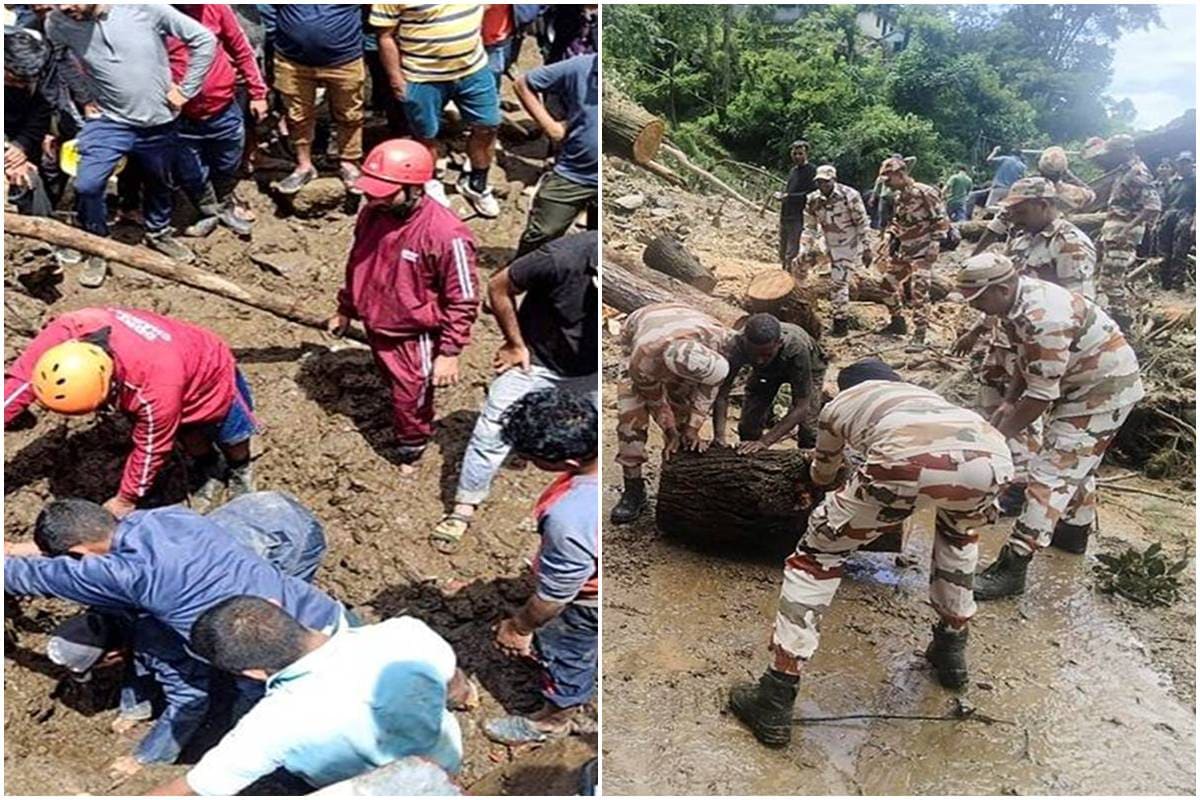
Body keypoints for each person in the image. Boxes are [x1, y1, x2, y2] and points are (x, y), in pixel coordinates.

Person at [728, 358, 1013, 748]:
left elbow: (824, 470)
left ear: (845, 387)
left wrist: (828, 492)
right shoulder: (925, 397)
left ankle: (776, 695)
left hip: (905, 461)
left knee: (817, 559)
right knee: (959, 540)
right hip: (992, 459)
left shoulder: (842, 404)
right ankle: (951, 650)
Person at [31, 490, 330, 781]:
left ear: (111, 656)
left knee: (254, 672)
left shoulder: (158, 635)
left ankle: (259, 752)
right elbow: (135, 660)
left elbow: (190, 699)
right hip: (258, 511)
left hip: (288, 537)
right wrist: (133, 710)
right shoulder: (141, 536)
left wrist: (146, 757)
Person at [955, 254, 1143, 599]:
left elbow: (1040, 396)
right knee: (1075, 467)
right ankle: (1073, 534)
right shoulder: (1013, 304)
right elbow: (1025, 361)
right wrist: (1010, 400)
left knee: (1050, 474)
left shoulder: (1045, 318)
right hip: (1081, 383)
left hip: (1103, 390)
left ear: (1002, 287)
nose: (977, 307)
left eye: (979, 298)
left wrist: (999, 436)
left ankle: (1013, 568)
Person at [146, 596, 464, 795]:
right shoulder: (405, 633)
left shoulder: (271, 723)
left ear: (253, 672)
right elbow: (456, 687)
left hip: (370, 790)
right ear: (278, 605)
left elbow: (195, 787)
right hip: (444, 760)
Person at [3, 307, 259, 518]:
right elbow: (19, 385)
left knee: (231, 434)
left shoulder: (156, 388)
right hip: (163, 361)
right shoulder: (68, 330)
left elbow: (151, 447)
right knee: (191, 438)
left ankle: (239, 468)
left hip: (207, 369)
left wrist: (125, 499)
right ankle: (208, 467)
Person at [434, 232, 598, 552]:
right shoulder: (559, 258)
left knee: (594, 444)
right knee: (491, 431)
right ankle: (464, 505)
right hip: (535, 360)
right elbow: (498, 285)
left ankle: (585, 513)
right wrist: (514, 343)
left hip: (589, 369)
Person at [329, 139, 480, 475]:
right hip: (376, 320)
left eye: (384, 192)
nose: (373, 198)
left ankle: (411, 443)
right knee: (392, 382)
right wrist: (346, 308)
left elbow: (464, 298)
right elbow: (359, 262)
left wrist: (450, 351)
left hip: (413, 334)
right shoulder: (372, 213)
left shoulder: (446, 234)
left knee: (410, 394)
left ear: (415, 188)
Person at [953, 180, 1097, 516]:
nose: (1013, 217)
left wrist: (1042, 368)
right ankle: (1002, 476)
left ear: (1046, 204)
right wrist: (978, 329)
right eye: (1011, 211)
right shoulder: (1020, 237)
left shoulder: (1071, 244)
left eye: (1020, 210)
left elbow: (1077, 308)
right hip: (1007, 342)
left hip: (1044, 347)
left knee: (1027, 421)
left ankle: (1021, 489)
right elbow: (1000, 292)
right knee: (993, 408)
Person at [45, 4, 217, 283]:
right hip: (108, 120)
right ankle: (96, 246)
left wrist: (186, 90)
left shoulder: (145, 8)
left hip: (158, 117)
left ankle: (158, 232)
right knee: (87, 183)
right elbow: (60, 56)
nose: (64, 7)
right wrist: (85, 95)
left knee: (158, 179)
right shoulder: (58, 21)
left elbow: (204, 39)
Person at [487, 389, 599, 744]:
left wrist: (519, 627)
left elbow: (555, 596)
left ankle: (553, 720)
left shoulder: (570, 517)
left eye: (531, 457)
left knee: (566, 654)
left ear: (565, 464)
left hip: (584, 603)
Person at [370, 4, 502, 218]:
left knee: (488, 125)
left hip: (473, 69)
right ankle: (430, 181)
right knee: (425, 135)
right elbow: (385, 36)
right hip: (422, 76)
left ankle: (477, 183)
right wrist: (396, 78)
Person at [610, 302, 734, 525]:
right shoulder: (643, 360)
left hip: (681, 325)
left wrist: (692, 428)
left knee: (683, 411)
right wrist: (671, 430)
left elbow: (709, 389)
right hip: (637, 332)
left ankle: (678, 471)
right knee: (630, 419)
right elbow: (655, 401)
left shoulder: (719, 339)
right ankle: (634, 489)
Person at [167, 4, 269, 237]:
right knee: (191, 171)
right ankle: (209, 211)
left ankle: (223, 204)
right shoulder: (153, 15)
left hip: (223, 107)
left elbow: (242, 50)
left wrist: (258, 93)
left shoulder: (215, 8)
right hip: (180, 115)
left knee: (227, 161)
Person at [264, 4, 365, 194]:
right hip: (291, 60)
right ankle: (304, 166)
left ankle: (350, 163)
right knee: (297, 115)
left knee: (350, 114)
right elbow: (268, 8)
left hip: (345, 58)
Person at [513, 53, 598, 256]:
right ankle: (520, 276)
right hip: (574, 172)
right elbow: (523, 84)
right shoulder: (580, 67)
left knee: (597, 244)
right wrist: (551, 127)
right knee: (543, 232)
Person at [711, 313, 826, 452]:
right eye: (753, 354)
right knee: (749, 426)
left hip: (810, 367)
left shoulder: (796, 348)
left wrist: (765, 442)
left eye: (766, 354)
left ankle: (808, 462)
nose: (759, 360)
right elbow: (722, 393)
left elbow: (802, 406)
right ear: (745, 342)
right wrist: (719, 436)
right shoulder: (736, 345)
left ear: (779, 343)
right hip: (766, 373)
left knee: (808, 430)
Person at [1089, 134, 1161, 330]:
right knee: (1104, 278)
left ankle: (1125, 325)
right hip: (1113, 231)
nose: (1109, 157)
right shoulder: (1124, 171)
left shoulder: (1138, 172)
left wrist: (1127, 230)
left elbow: (1153, 206)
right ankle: (1115, 319)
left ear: (1124, 151)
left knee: (1111, 282)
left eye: (1112, 153)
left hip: (1123, 232)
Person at [876, 156, 950, 344]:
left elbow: (941, 220)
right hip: (904, 251)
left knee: (919, 292)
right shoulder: (900, 196)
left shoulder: (924, 192)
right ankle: (898, 321)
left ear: (900, 174)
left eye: (889, 179)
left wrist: (935, 245)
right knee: (886, 286)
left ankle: (920, 334)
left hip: (923, 251)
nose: (888, 185)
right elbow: (898, 222)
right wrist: (888, 239)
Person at [971, 145, 1095, 256]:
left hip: (1020, 254)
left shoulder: (1025, 192)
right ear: (1062, 171)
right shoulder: (1073, 194)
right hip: (1057, 252)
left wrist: (973, 255)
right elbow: (1092, 194)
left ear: (1039, 168)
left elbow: (995, 228)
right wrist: (1069, 174)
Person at [794, 164, 871, 336]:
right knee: (799, 264)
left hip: (847, 244)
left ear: (834, 180)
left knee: (838, 283)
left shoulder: (849, 195)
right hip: (826, 242)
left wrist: (867, 247)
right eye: (820, 182)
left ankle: (840, 324)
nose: (823, 186)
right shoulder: (813, 199)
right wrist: (803, 249)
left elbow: (862, 223)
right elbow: (810, 227)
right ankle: (799, 302)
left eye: (826, 182)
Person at [4, 27, 55, 220]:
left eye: (25, 82)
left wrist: (21, 146)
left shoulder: (42, 64)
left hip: (22, 130)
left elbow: (42, 109)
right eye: (14, 80)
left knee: (30, 177)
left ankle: (42, 231)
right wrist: (8, 153)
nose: (20, 85)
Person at [1154, 151, 1195, 291]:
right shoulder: (1174, 182)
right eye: (1181, 163)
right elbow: (1165, 203)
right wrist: (1158, 220)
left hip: (1186, 215)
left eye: (1186, 163)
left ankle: (1178, 285)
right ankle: (1165, 284)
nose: (1183, 166)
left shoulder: (1195, 180)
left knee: (1179, 251)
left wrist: (1195, 223)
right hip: (1169, 216)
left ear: (1191, 164)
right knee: (1163, 250)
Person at [777, 140, 817, 268]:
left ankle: (792, 278)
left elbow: (812, 194)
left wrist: (789, 197)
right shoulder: (793, 171)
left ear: (807, 154)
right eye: (795, 153)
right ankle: (783, 277)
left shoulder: (812, 171)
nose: (797, 156)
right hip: (786, 214)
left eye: (800, 153)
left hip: (799, 215)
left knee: (792, 250)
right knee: (783, 249)